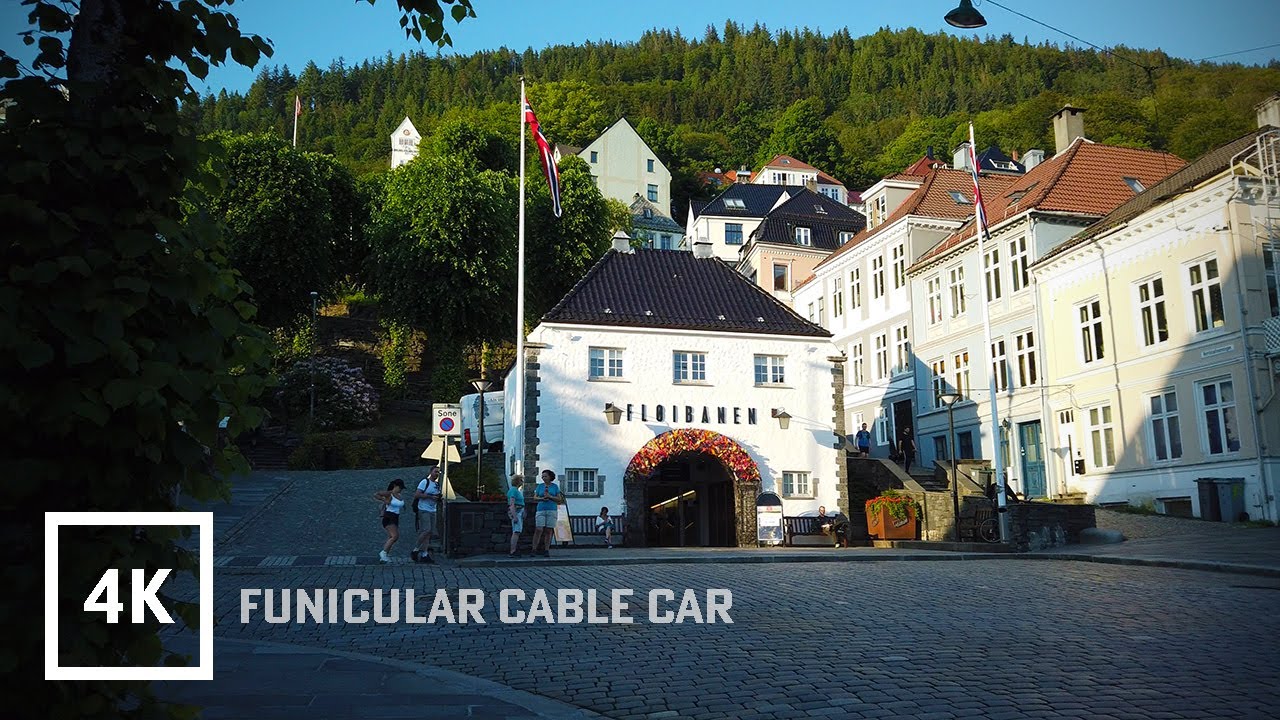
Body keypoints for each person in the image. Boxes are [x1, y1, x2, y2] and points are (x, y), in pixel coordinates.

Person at [412, 466, 442, 564]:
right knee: (426, 530)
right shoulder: (424, 482)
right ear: (430, 472)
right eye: (435, 472)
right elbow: (417, 494)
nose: (437, 474)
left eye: (438, 472)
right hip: (423, 509)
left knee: (429, 533)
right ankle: (416, 549)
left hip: (433, 509)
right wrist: (430, 496)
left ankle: (424, 554)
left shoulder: (437, 484)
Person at [531, 469, 563, 557]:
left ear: (550, 477)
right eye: (542, 476)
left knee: (549, 530)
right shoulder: (540, 486)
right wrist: (541, 499)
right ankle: (534, 549)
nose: (543, 478)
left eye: (545, 476)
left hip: (551, 509)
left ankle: (546, 549)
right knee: (539, 529)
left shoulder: (555, 487)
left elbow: (559, 499)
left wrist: (550, 496)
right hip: (541, 509)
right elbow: (535, 497)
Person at [372, 479, 406, 563]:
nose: (401, 489)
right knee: (395, 536)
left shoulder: (399, 495)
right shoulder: (389, 493)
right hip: (389, 517)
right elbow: (376, 494)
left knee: (391, 537)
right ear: (395, 486)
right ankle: (383, 553)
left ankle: (385, 555)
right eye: (400, 487)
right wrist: (384, 500)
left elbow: (400, 504)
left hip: (395, 517)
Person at [506, 474, 525, 558]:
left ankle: (514, 550)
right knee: (516, 531)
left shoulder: (515, 490)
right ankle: (512, 551)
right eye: (521, 480)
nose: (522, 482)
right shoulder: (513, 490)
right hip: (516, 512)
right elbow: (512, 504)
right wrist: (515, 516)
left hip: (519, 511)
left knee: (517, 531)